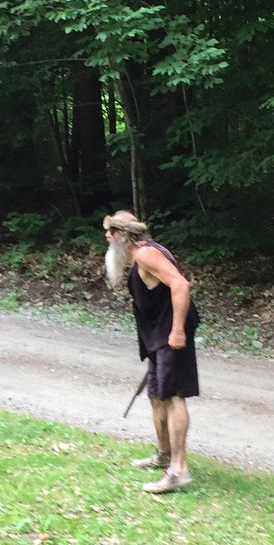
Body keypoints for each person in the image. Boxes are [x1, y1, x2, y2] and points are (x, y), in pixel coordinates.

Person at [103, 210, 200, 493]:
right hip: (158, 336)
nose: (107, 239)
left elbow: (181, 284)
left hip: (172, 335)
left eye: (110, 233)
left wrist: (178, 330)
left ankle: (179, 470)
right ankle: (164, 454)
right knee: (158, 396)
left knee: (172, 397)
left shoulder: (147, 254)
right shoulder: (139, 257)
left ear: (121, 235)